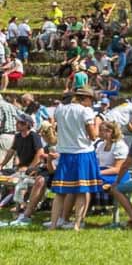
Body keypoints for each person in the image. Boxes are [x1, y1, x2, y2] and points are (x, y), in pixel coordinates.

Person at [48, 88, 103, 230]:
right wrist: (97, 124)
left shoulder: (60, 110)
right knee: (82, 190)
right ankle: (77, 224)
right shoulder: (86, 111)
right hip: (83, 153)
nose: (92, 103)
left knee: (60, 192)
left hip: (65, 153)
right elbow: (93, 136)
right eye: (92, 100)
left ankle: (53, 224)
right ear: (86, 98)